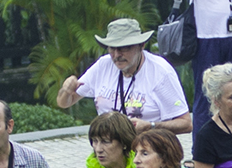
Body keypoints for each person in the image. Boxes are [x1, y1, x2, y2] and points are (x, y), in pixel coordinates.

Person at [57, 18, 193, 133]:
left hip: (148, 151)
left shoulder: (161, 72)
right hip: (109, 149)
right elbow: (64, 103)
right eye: (112, 48)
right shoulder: (103, 65)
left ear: (141, 46)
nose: (116, 55)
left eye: (124, 48)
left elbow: (186, 124)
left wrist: (151, 126)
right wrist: (66, 90)